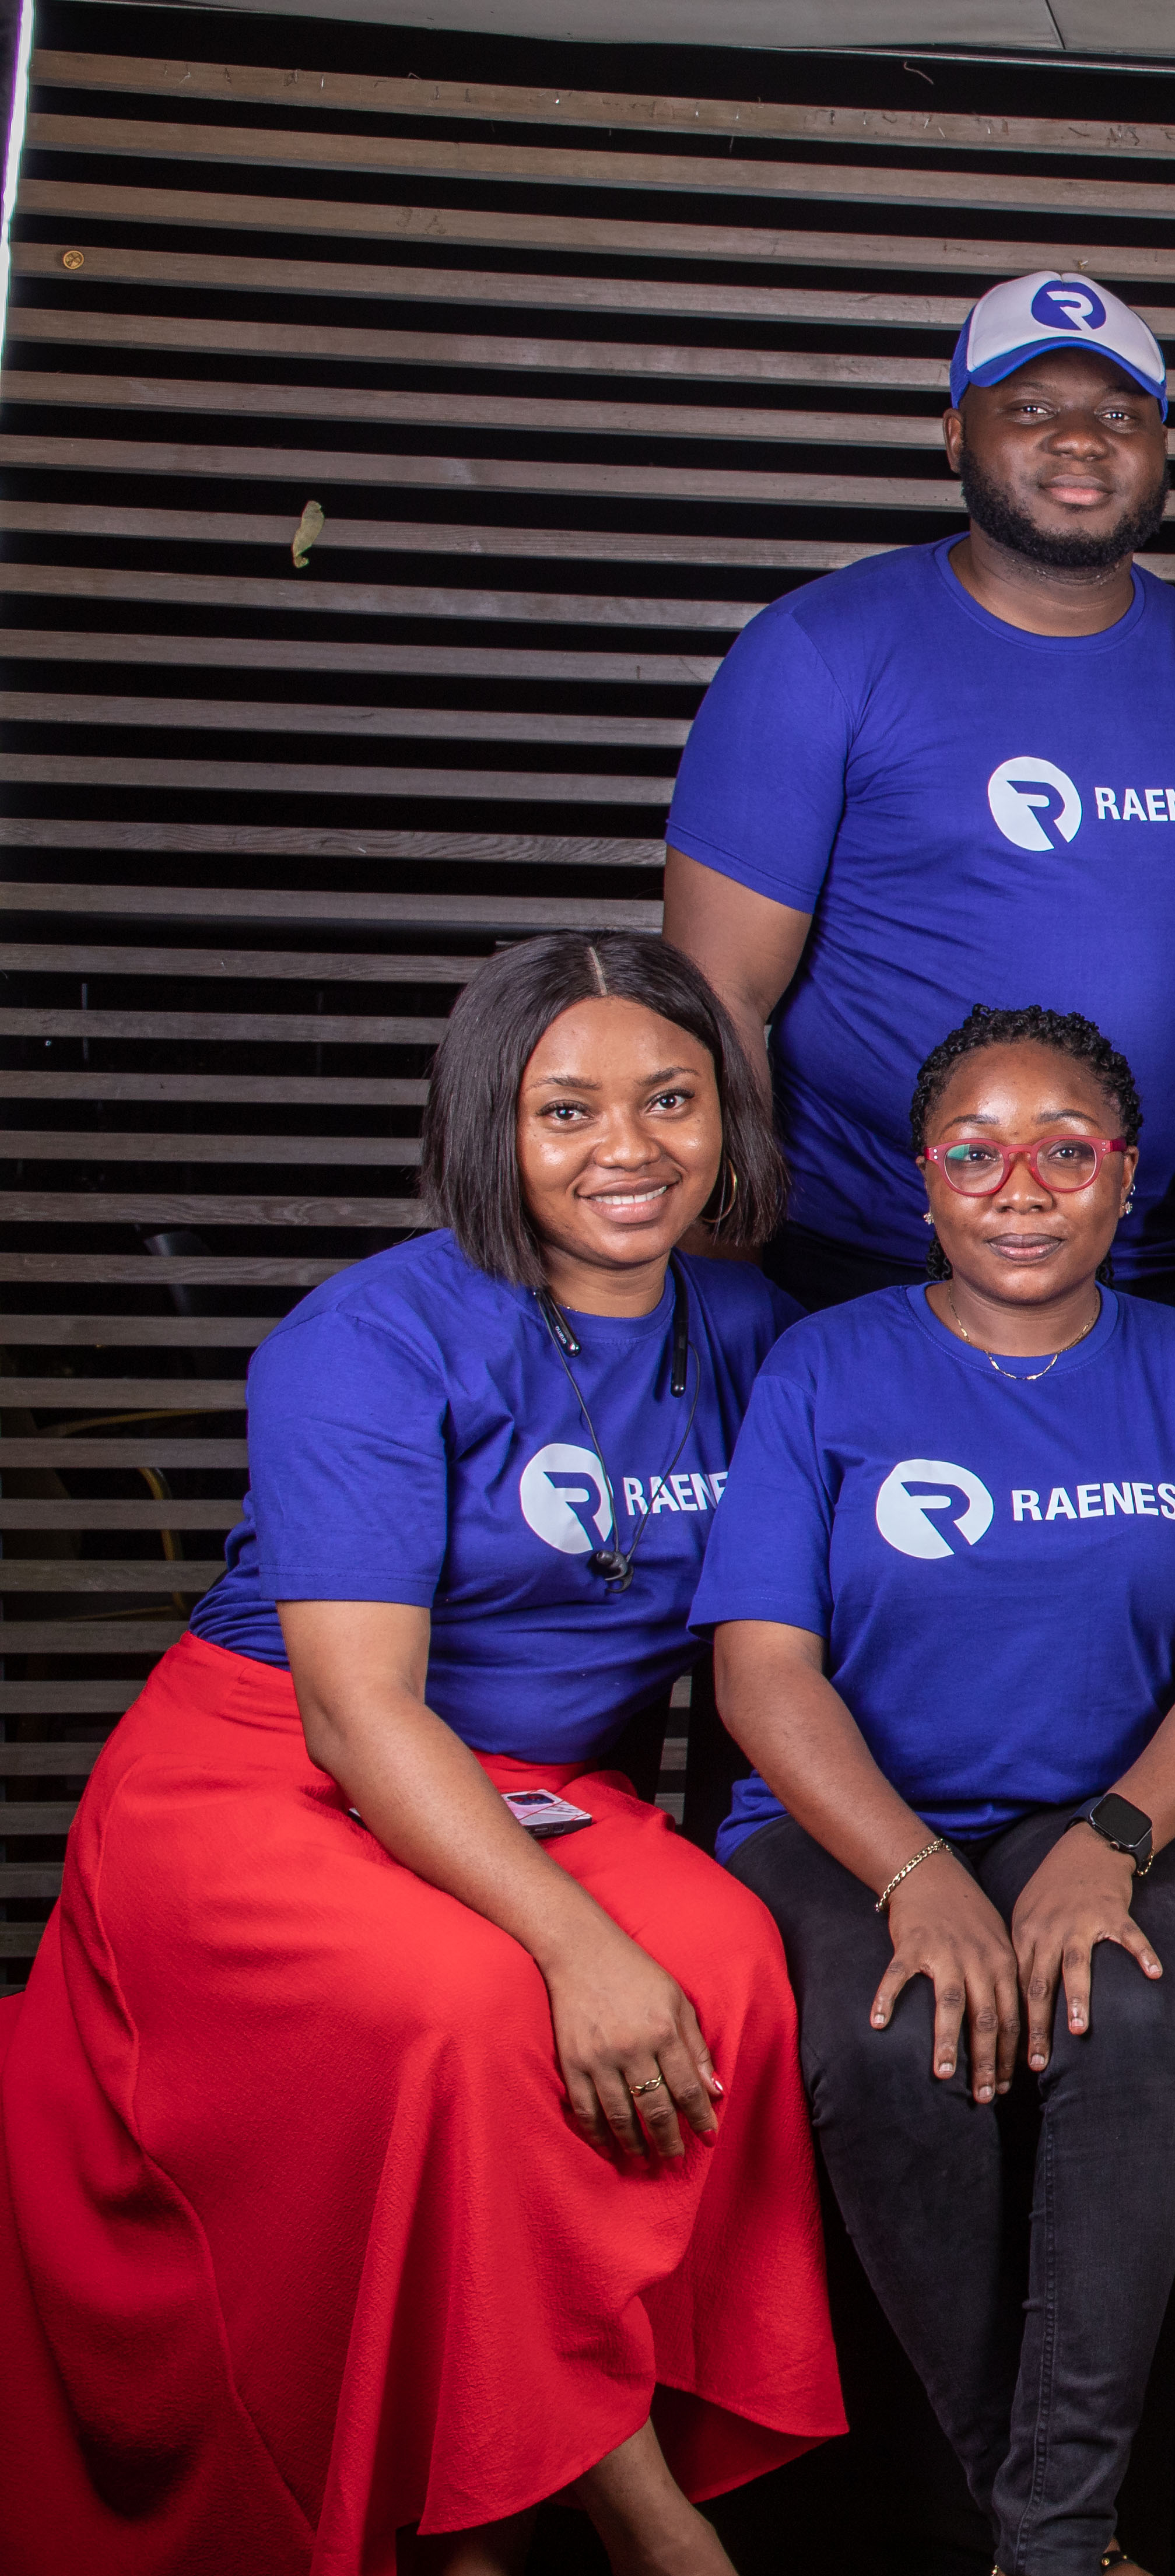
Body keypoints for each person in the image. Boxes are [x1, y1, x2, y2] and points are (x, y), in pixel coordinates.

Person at [0, 934, 837, 2575]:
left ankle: (488, 2503)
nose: (628, 1148)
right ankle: (652, 2534)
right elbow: (358, 1710)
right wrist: (577, 1942)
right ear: (487, 1125)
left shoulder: (758, 1329)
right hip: (268, 1772)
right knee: (474, 2011)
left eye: (672, 1100)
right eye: (567, 1109)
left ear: (727, 1115)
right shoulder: (365, 1339)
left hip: (538, 1784)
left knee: (734, 1965)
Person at [702, 1005, 1175, 2576]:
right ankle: (1053, 2536)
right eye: (974, 1154)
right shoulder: (824, 1368)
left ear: (1129, 1175)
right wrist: (913, 1877)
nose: (1019, 1188)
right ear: (924, 1180)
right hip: (849, 1822)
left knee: (1128, 2009)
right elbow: (762, 1675)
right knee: (895, 2039)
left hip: (1103, 1806)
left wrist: (1116, 1838)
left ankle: (1049, 2534)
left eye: (1065, 1152)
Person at [665, 269, 1175, 1308]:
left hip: (1161, 1274)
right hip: (873, 1270)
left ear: (1162, 446)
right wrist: (719, 1309)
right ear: (958, 435)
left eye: (1120, 414)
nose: (1082, 439)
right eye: (1034, 408)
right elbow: (713, 1000)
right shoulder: (820, 650)